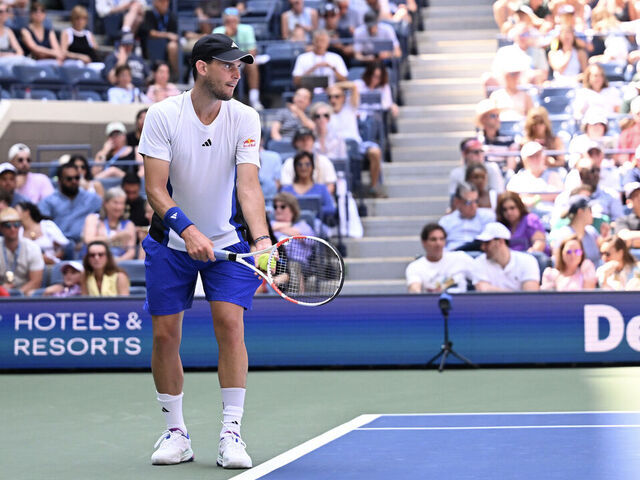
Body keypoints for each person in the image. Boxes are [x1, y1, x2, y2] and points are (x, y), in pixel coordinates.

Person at [138, 34, 270, 469]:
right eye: (228, 65)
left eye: (240, 65)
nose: (237, 72)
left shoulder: (246, 118)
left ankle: (231, 434)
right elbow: (155, 189)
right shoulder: (163, 115)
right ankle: (176, 432)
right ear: (201, 67)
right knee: (164, 335)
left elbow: (248, 187)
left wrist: (263, 240)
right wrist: (187, 229)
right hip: (170, 242)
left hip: (228, 241)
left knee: (230, 327)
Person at [327, 81, 384, 196]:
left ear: (343, 98)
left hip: (356, 145)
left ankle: (373, 187)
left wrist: (335, 86)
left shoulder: (350, 107)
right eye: (330, 97)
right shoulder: (324, 113)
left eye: (337, 96)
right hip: (335, 149)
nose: (333, 100)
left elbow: (353, 86)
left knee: (375, 151)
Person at [38, 162, 102, 248]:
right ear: (59, 181)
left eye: (77, 178)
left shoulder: (91, 198)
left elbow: (105, 216)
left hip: (85, 246)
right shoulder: (48, 202)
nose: (74, 181)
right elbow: (42, 227)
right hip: (58, 247)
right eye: (69, 179)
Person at [213, 7, 263, 110]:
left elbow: (252, 51)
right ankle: (221, 98)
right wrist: (227, 36)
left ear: (238, 20)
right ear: (224, 21)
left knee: (252, 64)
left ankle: (254, 99)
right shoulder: (218, 31)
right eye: (228, 21)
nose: (231, 23)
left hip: (242, 60)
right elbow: (215, 52)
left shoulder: (247, 29)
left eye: (234, 20)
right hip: (224, 62)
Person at [472, 221, 540, 292]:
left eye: (487, 243)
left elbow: (530, 295)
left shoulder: (527, 261)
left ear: (501, 241)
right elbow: (483, 289)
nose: (483, 247)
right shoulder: (479, 262)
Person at [405, 223, 474, 293]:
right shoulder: (415, 267)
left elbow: (481, 279)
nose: (438, 243)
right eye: (433, 239)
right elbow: (414, 290)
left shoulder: (461, 257)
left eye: (442, 239)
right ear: (424, 242)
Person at [82, 186, 137, 262]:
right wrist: (115, 238)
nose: (119, 207)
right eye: (115, 202)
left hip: (119, 264)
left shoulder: (129, 225)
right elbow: (89, 241)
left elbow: (131, 252)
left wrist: (116, 263)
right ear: (105, 203)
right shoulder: (93, 219)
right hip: (94, 261)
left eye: (122, 203)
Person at [0, 207, 44, 296]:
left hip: (24, 296)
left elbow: (36, 281)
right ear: (1, 227)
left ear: (20, 226)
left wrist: (17, 294)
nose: (13, 229)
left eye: (16, 224)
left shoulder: (32, 247)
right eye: (8, 225)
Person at [280, 126, 337, 195]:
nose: (305, 142)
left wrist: (320, 199)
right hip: (295, 202)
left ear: (313, 141)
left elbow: (331, 185)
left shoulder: (324, 161)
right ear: (295, 143)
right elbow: (286, 188)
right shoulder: (289, 163)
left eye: (308, 139)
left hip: (319, 201)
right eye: (301, 139)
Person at [439, 182, 495, 251]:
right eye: (469, 202)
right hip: (453, 256)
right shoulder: (446, 221)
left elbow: (488, 241)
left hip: (478, 255)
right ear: (457, 202)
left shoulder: (487, 216)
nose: (474, 206)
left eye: (476, 201)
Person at [549, 195, 603, 267]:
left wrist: (605, 237)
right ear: (580, 212)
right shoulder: (563, 235)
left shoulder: (592, 231)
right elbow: (558, 263)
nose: (592, 214)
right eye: (590, 210)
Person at [281, 151, 337, 220]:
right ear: (295, 167)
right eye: (299, 164)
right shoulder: (286, 190)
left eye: (307, 164)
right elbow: (280, 208)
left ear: (312, 167)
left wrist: (312, 212)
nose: (303, 167)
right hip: (291, 225)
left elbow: (331, 208)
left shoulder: (322, 188)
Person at [448, 138, 505, 203]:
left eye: (481, 151)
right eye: (476, 152)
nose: (480, 155)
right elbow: (453, 199)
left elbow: (499, 195)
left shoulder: (492, 168)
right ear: (464, 154)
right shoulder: (456, 173)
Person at [16, 201, 69, 265]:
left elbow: (64, 247)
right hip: (28, 266)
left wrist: (51, 258)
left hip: (52, 265)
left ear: (27, 212)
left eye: (16, 211)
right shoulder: (17, 231)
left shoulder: (47, 225)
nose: (13, 214)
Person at [139, 0, 179, 79]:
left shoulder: (170, 16)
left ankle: (177, 75)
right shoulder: (149, 14)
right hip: (151, 48)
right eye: (162, 2)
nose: (165, 4)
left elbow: (177, 33)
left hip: (167, 49)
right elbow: (151, 32)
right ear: (155, 3)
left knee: (173, 46)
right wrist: (167, 35)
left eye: (167, 2)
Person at [0, 2, 32, 70]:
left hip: (8, 60)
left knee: (30, 63)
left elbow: (19, 51)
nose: (4, 13)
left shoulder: (8, 31)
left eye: (7, 11)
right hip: (5, 60)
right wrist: (9, 55)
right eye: (1, 11)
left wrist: (13, 56)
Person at [614, 182, 640, 248]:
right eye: (636, 195)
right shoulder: (622, 220)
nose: (639, 196)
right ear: (629, 202)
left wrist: (633, 239)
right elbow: (624, 238)